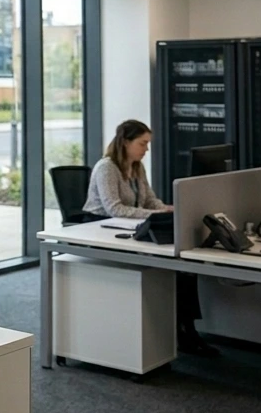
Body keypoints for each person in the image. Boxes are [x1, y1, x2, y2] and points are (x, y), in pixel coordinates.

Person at [85, 119, 217, 356]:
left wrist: (167, 208)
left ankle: (187, 328)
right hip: (99, 228)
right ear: (125, 142)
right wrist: (155, 213)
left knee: (185, 269)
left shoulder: (137, 167)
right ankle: (179, 330)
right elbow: (114, 208)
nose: (146, 149)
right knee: (172, 268)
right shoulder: (107, 168)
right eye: (142, 143)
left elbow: (149, 200)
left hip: (131, 227)